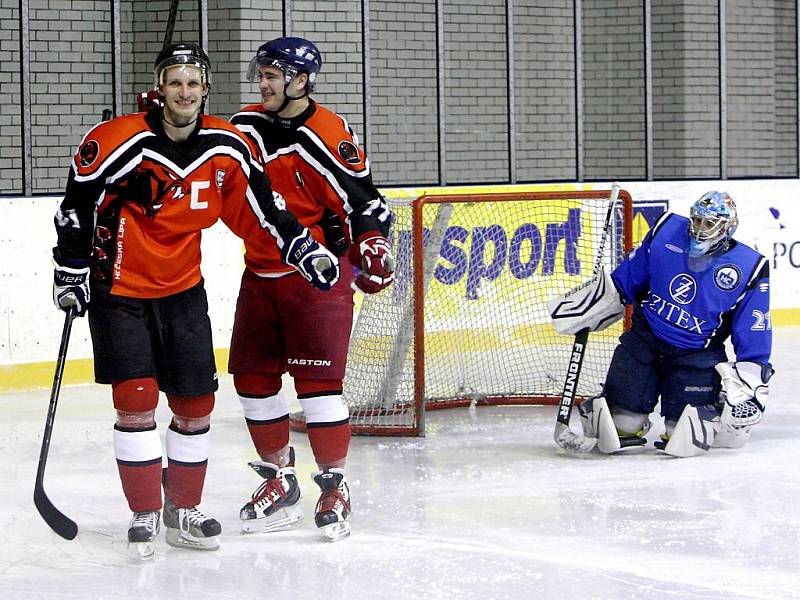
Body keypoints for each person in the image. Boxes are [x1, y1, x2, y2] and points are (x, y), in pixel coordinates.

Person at [51, 42, 339, 559]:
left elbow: (263, 206)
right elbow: (76, 206)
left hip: (183, 291)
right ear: (159, 89)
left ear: (205, 89)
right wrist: (70, 271)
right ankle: (143, 512)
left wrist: (302, 246)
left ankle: (183, 509)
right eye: (174, 82)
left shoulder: (225, 145)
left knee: (195, 406)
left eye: (193, 82)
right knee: (137, 402)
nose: (184, 91)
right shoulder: (117, 141)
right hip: (120, 293)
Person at [228, 36, 394, 541]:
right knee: (253, 385)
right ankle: (280, 478)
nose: (263, 84)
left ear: (301, 81)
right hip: (259, 275)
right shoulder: (244, 125)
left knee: (319, 391)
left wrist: (372, 245)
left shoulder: (328, 131)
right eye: (261, 75)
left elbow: (364, 202)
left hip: (315, 277)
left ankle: (335, 486)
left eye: (272, 76)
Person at [550, 191, 773, 457]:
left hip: (697, 355)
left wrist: (750, 382)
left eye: (709, 223)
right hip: (645, 340)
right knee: (623, 424)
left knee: (681, 433)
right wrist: (596, 300)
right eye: (696, 220)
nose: (700, 229)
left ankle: (718, 409)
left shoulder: (748, 267)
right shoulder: (666, 231)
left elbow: (753, 328)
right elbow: (630, 279)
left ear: (727, 227)